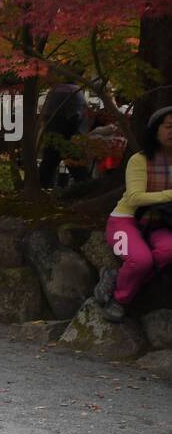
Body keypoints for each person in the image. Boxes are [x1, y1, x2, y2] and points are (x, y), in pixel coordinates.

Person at [94, 106, 172, 321]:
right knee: (140, 260)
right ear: (155, 130)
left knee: (168, 252)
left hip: (162, 223)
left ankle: (116, 279)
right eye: (168, 127)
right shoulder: (139, 159)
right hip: (126, 220)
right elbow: (135, 197)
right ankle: (120, 299)